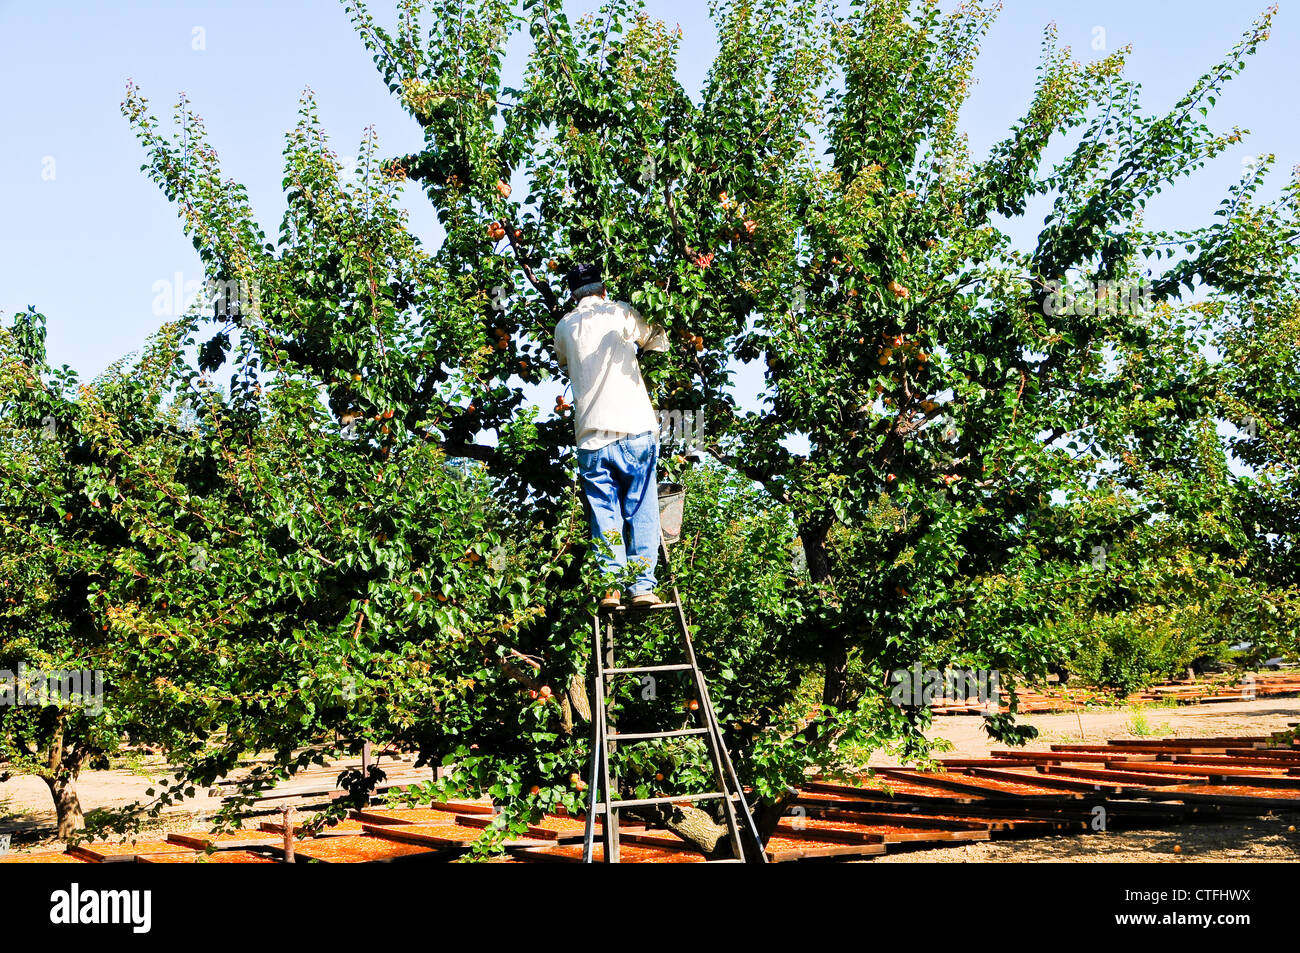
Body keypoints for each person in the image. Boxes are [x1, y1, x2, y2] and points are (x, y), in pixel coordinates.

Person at [554, 262, 668, 609]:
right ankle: (643, 587)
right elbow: (656, 339)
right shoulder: (621, 312)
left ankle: (610, 587)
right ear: (603, 289)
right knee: (641, 506)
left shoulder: (565, 326)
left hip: (591, 437)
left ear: (573, 295)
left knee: (604, 513)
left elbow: (564, 363)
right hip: (634, 427)